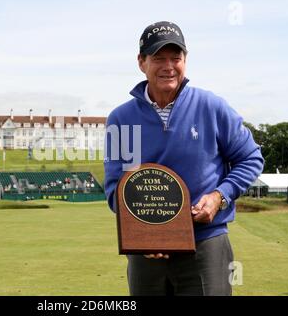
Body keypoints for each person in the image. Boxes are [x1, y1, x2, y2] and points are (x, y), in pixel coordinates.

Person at [104, 21, 264, 296]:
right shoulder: (122, 120)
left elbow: (250, 158)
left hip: (206, 244)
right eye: (158, 58)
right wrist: (143, 232)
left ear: (185, 60)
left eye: (175, 58)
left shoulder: (211, 107)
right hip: (146, 254)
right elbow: (116, 188)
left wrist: (219, 196)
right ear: (141, 62)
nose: (168, 66)